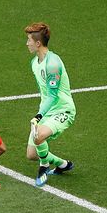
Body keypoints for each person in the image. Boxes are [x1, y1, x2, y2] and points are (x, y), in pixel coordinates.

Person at [24, 22, 75, 187]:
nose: (27, 43)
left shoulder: (53, 64)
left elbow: (52, 96)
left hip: (63, 110)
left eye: (29, 40)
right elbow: (43, 94)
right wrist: (42, 113)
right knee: (31, 154)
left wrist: (38, 116)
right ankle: (62, 164)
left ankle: (44, 167)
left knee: (38, 136)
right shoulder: (34, 63)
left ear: (38, 43)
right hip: (47, 111)